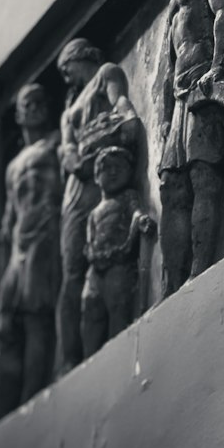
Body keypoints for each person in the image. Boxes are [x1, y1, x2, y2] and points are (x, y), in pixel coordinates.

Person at [157, 0, 224, 295]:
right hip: (178, 98)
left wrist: (219, 66)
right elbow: (167, 61)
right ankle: (171, 284)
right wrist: (165, 114)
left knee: (204, 176)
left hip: (204, 84)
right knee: (172, 187)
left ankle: (200, 268)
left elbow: (223, 14)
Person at [55, 38, 137, 372]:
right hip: (77, 190)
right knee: (73, 269)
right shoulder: (68, 112)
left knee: (107, 255)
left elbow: (120, 102)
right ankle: (70, 356)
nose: (66, 78)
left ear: (81, 56)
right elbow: (67, 149)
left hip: (106, 176)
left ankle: (105, 339)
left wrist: (129, 118)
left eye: (66, 69)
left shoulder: (106, 73)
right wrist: (75, 161)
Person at [0, 83, 62, 418]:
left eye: (39, 102)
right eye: (27, 104)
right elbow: (9, 215)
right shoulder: (12, 166)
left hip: (45, 237)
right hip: (19, 244)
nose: (34, 109)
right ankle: (3, 407)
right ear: (18, 114)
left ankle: (32, 395)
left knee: (37, 317)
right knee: (5, 325)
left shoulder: (57, 141)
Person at [81, 147, 155, 357]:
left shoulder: (127, 197)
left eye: (120, 168)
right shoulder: (94, 212)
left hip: (119, 265)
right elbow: (90, 240)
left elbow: (137, 212)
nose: (113, 172)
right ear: (97, 176)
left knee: (118, 309)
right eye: (107, 168)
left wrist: (141, 221)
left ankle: (116, 356)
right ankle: (89, 358)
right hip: (96, 269)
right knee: (91, 311)